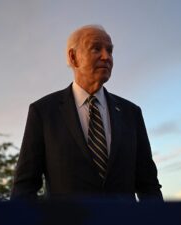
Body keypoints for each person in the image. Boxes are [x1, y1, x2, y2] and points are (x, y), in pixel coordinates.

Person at [11, 25, 163, 201]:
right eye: (96, 48)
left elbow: (148, 184)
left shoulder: (131, 113)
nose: (106, 57)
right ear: (73, 57)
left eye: (110, 51)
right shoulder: (43, 112)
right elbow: (25, 186)